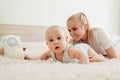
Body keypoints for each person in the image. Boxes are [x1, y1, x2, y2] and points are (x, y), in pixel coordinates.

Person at [28, 25, 105, 63]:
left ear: (66, 39)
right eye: (51, 40)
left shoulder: (70, 51)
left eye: (59, 38)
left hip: (84, 49)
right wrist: (32, 59)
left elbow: (83, 55)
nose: (55, 42)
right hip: (80, 50)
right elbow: (43, 56)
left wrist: (82, 66)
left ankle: (101, 57)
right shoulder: (52, 53)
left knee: (93, 58)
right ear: (47, 44)